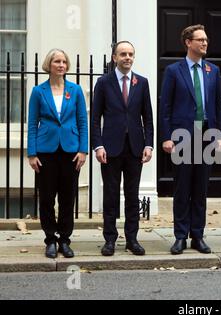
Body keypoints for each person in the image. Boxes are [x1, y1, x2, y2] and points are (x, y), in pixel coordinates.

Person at [160, 24, 221, 255]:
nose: (205, 43)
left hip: (206, 136)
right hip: (181, 138)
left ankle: (198, 235)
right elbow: (165, 106)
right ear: (188, 42)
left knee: (200, 189)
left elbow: (218, 105)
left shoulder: (213, 71)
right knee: (182, 188)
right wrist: (167, 137)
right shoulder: (174, 71)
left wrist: (219, 135)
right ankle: (180, 236)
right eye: (200, 40)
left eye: (206, 39)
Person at [91, 41, 154, 256]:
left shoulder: (142, 83)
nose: (127, 57)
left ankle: (132, 239)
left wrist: (149, 144)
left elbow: (148, 117)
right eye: (123, 54)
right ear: (114, 57)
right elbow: (95, 118)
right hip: (110, 148)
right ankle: (110, 239)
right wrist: (97, 145)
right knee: (110, 195)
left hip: (135, 147)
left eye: (131, 54)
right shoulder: (103, 83)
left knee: (132, 194)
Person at [27, 49, 88, 258]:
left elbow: (82, 121)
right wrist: (31, 153)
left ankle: (64, 239)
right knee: (46, 197)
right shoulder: (38, 91)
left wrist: (83, 150)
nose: (61, 65)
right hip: (46, 151)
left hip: (71, 151)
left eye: (64, 61)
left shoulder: (76, 90)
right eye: (57, 61)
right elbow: (32, 124)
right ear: (49, 65)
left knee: (67, 197)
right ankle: (50, 239)